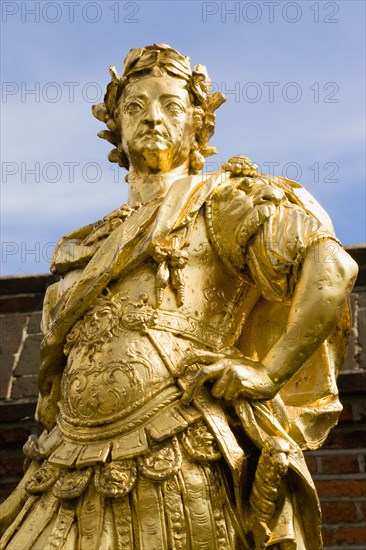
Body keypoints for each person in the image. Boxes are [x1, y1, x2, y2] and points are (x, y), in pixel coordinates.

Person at [0, 44, 358, 550]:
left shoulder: (226, 200)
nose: (151, 118)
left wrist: (269, 370)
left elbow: (332, 266)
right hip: (63, 470)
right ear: (114, 128)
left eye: (171, 106)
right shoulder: (82, 249)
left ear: (198, 126)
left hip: (183, 453)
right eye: (135, 106)